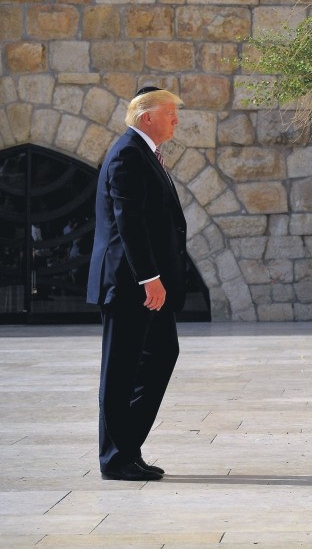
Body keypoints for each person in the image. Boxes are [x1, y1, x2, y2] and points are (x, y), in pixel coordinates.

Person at [87, 87, 187, 481]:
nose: (176, 119)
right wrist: (150, 278)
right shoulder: (128, 154)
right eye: (170, 112)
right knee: (121, 371)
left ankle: (127, 448)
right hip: (130, 285)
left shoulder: (144, 153)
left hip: (144, 286)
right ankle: (115, 458)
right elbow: (128, 223)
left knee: (162, 354)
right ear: (147, 116)